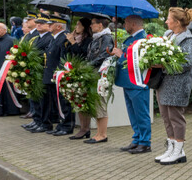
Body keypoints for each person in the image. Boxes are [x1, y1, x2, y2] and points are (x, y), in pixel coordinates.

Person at [154, 7, 192, 165]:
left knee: (175, 117)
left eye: (168, 18)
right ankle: (171, 148)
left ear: (177, 22)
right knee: (166, 117)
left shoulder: (189, 40)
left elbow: (187, 63)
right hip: (163, 83)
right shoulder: (168, 35)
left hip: (178, 84)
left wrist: (162, 65)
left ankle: (178, 151)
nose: (166, 21)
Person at [112, 15, 152, 154]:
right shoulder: (131, 39)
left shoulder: (143, 39)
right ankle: (137, 138)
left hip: (137, 83)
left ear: (133, 24)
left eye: (126, 22)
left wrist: (121, 55)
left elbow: (139, 60)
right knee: (133, 114)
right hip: (127, 82)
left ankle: (145, 142)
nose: (124, 24)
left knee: (141, 113)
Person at [35, 16, 72, 136]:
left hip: (58, 75)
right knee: (56, 103)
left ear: (59, 26)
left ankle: (66, 125)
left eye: (51, 24)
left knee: (63, 103)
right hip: (50, 74)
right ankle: (61, 124)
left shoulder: (64, 38)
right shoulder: (54, 38)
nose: (48, 25)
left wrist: (60, 74)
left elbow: (63, 59)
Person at [84, 15, 115, 144]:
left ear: (100, 25)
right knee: (96, 102)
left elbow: (104, 55)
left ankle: (102, 134)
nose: (91, 26)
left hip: (100, 73)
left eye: (93, 23)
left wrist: (88, 65)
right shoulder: (97, 38)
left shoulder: (106, 38)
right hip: (94, 72)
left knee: (100, 101)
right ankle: (98, 133)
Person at [65, 17, 94, 139]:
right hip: (74, 70)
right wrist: (69, 41)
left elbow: (82, 54)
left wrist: (73, 42)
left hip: (84, 71)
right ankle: (83, 128)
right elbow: (68, 53)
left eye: (78, 25)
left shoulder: (88, 40)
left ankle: (85, 128)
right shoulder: (76, 38)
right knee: (77, 100)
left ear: (84, 27)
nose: (76, 27)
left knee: (83, 101)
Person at [21, 17, 53, 127]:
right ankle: (37, 120)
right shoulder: (35, 38)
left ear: (48, 26)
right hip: (34, 71)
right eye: (38, 23)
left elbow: (46, 54)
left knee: (42, 99)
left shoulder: (49, 38)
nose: (39, 25)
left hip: (42, 70)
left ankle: (44, 123)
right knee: (35, 98)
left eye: (42, 23)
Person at [0, 22, 21, 118]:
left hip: (8, 71)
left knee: (7, 92)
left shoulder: (12, 40)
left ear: (4, 30)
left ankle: (10, 110)